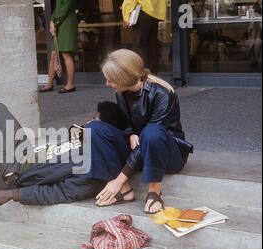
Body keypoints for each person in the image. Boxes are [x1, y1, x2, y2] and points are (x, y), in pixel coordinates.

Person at [0, 101, 131, 221]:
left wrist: (15, 194)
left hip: (13, 174)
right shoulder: (93, 144)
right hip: (25, 154)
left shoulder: (93, 172)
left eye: (94, 121)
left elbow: (61, 192)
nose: (88, 122)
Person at [94, 49, 193, 214]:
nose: (107, 84)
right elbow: (126, 122)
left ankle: (154, 190)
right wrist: (131, 133)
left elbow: (151, 135)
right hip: (139, 146)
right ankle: (125, 189)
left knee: (152, 132)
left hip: (167, 153)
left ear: (124, 79)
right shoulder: (122, 91)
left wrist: (119, 179)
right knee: (95, 128)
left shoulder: (162, 93)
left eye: (111, 79)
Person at [40, 0, 78, 94]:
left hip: (67, 23)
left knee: (66, 54)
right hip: (60, 22)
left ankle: (70, 85)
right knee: (53, 54)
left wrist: (55, 20)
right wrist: (53, 20)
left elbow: (65, 7)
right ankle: (49, 84)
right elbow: (58, 8)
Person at [122, 0, 167, 73]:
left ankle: (140, 73)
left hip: (143, 10)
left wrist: (126, 16)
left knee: (139, 45)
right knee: (152, 44)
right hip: (155, 13)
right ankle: (152, 73)